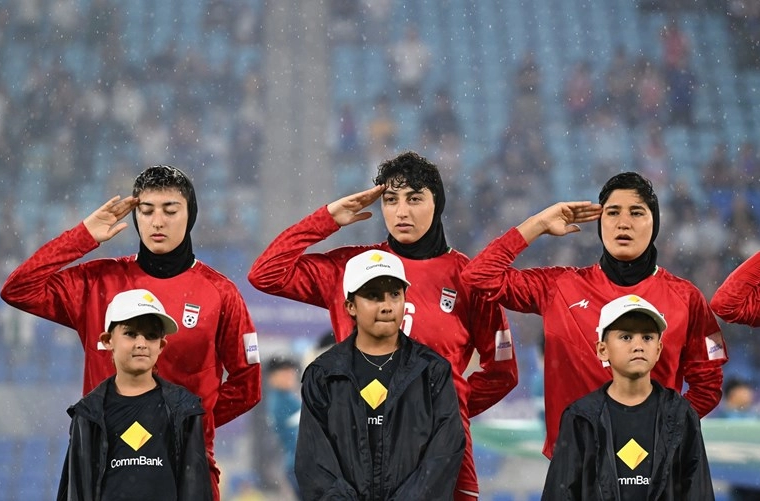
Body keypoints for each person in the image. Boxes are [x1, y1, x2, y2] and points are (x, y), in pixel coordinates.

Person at [249, 151, 517, 500]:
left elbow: (502, 373)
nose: (401, 211)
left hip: (439, 457)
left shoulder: (469, 278)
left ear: (437, 204)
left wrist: (441, 409)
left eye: (414, 199)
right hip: (356, 448)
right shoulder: (351, 268)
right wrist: (327, 219)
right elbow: (266, 274)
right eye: (391, 200)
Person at [0, 165, 261, 500]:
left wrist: (188, 426)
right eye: (146, 210)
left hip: (184, 464)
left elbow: (247, 385)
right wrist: (82, 236)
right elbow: (18, 289)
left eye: (170, 211)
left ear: (190, 215)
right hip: (102, 462)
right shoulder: (98, 281)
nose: (157, 221)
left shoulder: (221, 293)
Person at [461, 171, 727, 459]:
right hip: (574, 467)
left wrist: (661, 434)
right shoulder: (560, 287)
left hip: (653, 467)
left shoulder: (686, 299)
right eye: (612, 212)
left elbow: (708, 387)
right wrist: (537, 224)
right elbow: (478, 277)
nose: (623, 222)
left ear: (655, 224)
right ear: (600, 223)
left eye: (636, 212)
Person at [295, 249, 465, 499]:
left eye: (395, 294)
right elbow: (314, 463)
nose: (387, 306)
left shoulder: (432, 371)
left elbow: (444, 455)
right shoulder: (323, 375)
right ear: (350, 306)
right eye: (373, 296)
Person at [542, 294, 714, 500]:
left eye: (647, 337)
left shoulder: (681, 414)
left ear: (658, 350)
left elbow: (698, 492)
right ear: (602, 350)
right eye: (626, 337)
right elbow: (560, 494)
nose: (638, 345)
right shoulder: (580, 417)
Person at [57, 288, 212, 500]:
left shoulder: (184, 409)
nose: (141, 343)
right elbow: (77, 489)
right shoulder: (87, 414)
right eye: (130, 334)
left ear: (161, 345)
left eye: (151, 336)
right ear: (107, 340)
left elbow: (195, 489)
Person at [265, 354, 302, 499]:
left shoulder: (288, 398)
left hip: (299, 465)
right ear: (272, 378)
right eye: (284, 372)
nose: (290, 376)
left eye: (291, 371)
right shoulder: (280, 402)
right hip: (300, 465)